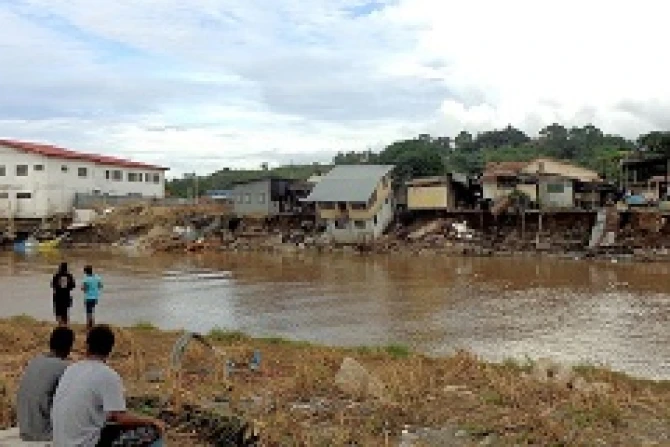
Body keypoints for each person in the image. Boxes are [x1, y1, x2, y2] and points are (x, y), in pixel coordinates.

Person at [51, 325, 165, 447]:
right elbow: (120, 418)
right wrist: (152, 421)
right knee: (152, 431)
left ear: (87, 346)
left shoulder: (72, 368)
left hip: (60, 441)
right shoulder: (108, 375)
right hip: (85, 443)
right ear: (110, 350)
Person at [16, 326, 75, 441]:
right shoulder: (64, 368)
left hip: (25, 429)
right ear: (69, 347)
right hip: (45, 432)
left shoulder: (36, 360)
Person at [81, 265, 103, 330]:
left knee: (88, 311)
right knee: (92, 310)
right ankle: (92, 324)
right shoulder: (97, 277)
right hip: (95, 297)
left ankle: (89, 325)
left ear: (85, 272)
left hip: (88, 297)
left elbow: (83, 288)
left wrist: (84, 288)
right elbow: (100, 286)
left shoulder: (86, 279)